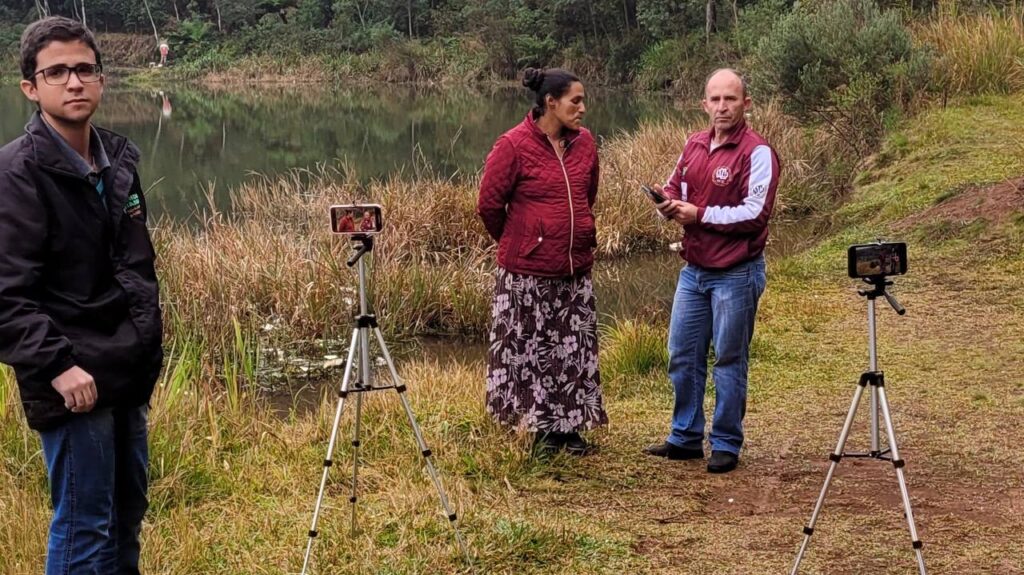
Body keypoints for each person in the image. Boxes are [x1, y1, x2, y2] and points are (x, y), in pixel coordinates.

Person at [0, 17, 163, 573]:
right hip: (72, 377)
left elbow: (135, 267)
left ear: (102, 79)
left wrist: (145, 347)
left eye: (85, 70)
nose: (74, 82)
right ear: (30, 87)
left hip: (125, 368)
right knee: (85, 524)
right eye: (58, 72)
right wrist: (59, 365)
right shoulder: (16, 173)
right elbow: (6, 294)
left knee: (127, 512)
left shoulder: (117, 161)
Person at [644, 68, 779, 473]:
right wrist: (665, 203)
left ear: (746, 104)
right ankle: (684, 437)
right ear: (704, 104)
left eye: (730, 99)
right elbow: (674, 187)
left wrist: (697, 214)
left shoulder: (758, 152)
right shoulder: (694, 145)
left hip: (736, 271)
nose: (722, 107)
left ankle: (725, 442)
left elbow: (756, 214)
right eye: (715, 100)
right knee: (682, 355)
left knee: (729, 359)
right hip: (694, 269)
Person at [477, 67, 607, 455]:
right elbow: (488, 205)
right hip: (527, 274)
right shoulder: (513, 145)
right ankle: (540, 433)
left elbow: (588, 194)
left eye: (583, 100)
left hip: (574, 268)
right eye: (576, 101)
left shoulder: (585, 144)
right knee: (532, 352)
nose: (583, 108)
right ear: (551, 102)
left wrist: (575, 232)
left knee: (572, 353)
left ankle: (570, 431)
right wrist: (521, 241)